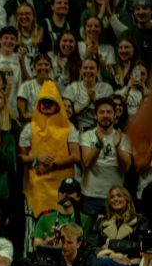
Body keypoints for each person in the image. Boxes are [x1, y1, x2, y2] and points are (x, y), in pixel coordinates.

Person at [19, 81, 80, 251]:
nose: (46, 105)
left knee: (62, 231)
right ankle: (30, 261)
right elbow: (21, 156)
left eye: (50, 102)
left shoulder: (69, 128)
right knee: (32, 230)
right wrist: (36, 158)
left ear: (57, 104)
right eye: (43, 101)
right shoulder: (30, 128)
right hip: (36, 187)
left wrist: (53, 166)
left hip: (62, 189)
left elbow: (76, 155)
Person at [88, 185, 149, 266]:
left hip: (131, 263)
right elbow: (91, 246)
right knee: (105, 263)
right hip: (108, 260)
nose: (115, 199)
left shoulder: (140, 221)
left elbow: (141, 246)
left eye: (119, 195)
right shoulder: (100, 222)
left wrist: (110, 244)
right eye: (112, 197)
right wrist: (112, 255)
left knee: (105, 264)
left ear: (127, 199)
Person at [80, 98, 131, 220]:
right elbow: (87, 163)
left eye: (109, 112)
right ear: (95, 116)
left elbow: (126, 167)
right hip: (91, 196)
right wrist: (98, 144)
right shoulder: (87, 136)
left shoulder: (123, 137)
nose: (105, 115)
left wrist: (118, 147)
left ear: (114, 115)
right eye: (101, 112)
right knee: (89, 236)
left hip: (115, 198)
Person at [32, 178, 93, 248]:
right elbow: (35, 247)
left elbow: (84, 247)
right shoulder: (45, 218)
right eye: (62, 191)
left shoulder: (86, 220)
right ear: (58, 194)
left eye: (70, 192)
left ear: (78, 197)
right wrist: (47, 243)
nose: (65, 194)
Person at [63, 58, 114, 131]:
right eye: (85, 68)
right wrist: (86, 104)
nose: (88, 71)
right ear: (80, 71)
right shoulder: (72, 88)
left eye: (92, 68)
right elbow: (65, 113)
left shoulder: (107, 89)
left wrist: (94, 101)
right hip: (76, 128)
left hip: (101, 128)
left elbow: (110, 114)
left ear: (98, 71)